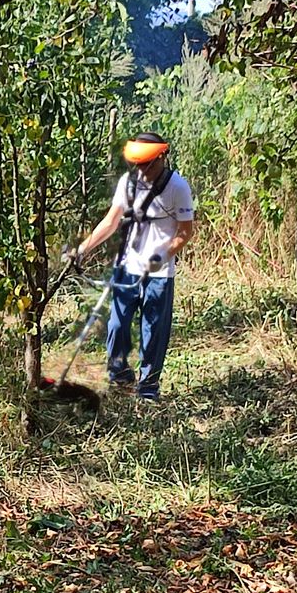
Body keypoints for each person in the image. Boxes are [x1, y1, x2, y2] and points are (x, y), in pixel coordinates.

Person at [76, 132, 195, 401]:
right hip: (128, 267)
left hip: (159, 274)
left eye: (147, 163)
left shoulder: (178, 187)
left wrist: (162, 256)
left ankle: (148, 388)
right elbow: (110, 222)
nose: (142, 170)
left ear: (162, 157)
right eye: (137, 164)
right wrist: (83, 249)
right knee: (117, 325)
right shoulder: (127, 184)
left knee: (153, 331)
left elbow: (185, 232)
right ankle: (119, 377)